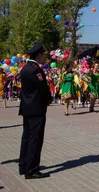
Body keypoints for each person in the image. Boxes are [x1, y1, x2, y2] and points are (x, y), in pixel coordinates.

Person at [19, 42, 52, 179]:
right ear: (38, 55)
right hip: (37, 108)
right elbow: (43, 88)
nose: (43, 57)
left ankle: (23, 165)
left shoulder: (25, 68)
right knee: (35, 139)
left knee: (26, 137)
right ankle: (32, 170)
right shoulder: (35, 69)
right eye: (42, 55)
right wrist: (49, 99)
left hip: (26, 107)